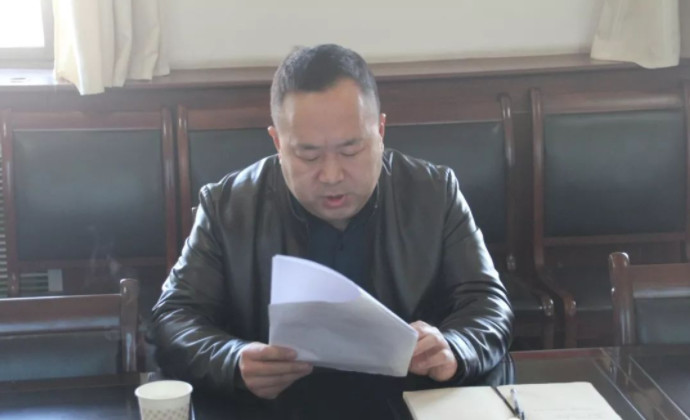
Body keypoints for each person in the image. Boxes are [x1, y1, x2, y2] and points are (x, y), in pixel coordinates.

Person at [151, 44, 513, 414]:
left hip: (407, 403)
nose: (331, 175)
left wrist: (455, 347)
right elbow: (174, 316)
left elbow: (487, 303)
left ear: (380, 131)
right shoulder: (228, 206)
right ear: (277, 143)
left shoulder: (433, 193)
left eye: (351, 150)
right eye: (308, 154)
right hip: (278, 408)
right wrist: (233, 360)